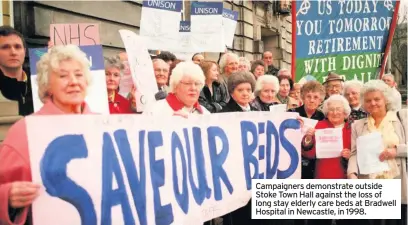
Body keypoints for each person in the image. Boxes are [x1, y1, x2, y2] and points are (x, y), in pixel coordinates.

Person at [0, 45, 95, 224]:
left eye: (79, 74)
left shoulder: (106, 126)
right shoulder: (24, 131)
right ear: (47, 86)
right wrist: (7, 198)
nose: (73, 81)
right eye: (63, 76)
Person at [348, 80, 407, 225]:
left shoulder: (402, 118)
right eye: (368, 100)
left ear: (385, 99)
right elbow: (354, 153)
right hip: (370, 183)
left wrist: (396, 151)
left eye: (377, 99)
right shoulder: (358, 125)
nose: (372, 103)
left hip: (395, 181)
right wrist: (351, 173)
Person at [302, 95, 352, 225]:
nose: (335, 112)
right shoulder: (319, 126)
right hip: (324, 177)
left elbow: (359, 152)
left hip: (346, 179)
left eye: (338, 109)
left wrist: (351, 154)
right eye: (331, 109)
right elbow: (309, 154)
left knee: (345, 219)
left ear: (345, 112)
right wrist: (308, 139)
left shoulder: (352, 129)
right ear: (326, 112)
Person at [289, 80, 326, 179]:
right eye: (308, 96)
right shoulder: (292, 113)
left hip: (313, 164)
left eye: (316, 97)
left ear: (320, 100)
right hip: (292, 160)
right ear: (303, 97)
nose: (312, 100)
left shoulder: (322, 117)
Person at [143, 61, 209, 116]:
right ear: (175, 86)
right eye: (188, 83)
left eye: (197, 84)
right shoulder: (155, 110)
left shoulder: (206, 114)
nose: (193, 88)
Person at [0, 26, 33, 115]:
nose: (13, 52)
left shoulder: (39, 81)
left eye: (17, 47)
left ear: (24, 51)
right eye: (5, 47)